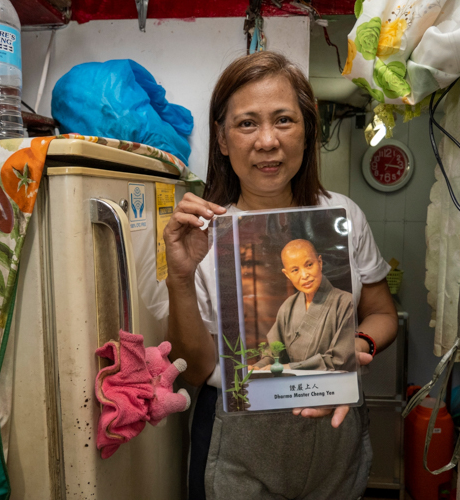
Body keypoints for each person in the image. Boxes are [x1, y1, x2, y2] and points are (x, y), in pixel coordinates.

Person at [163, 51, 398, 500]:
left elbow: (382, 313)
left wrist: (359, 345)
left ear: (307, 131)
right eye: (247, 123)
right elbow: (197, 369)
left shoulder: (343, 214)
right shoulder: (203, 235)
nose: (267, 141)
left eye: (284, 120)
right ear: (223, 139)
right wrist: (179, 277)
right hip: (238, 433)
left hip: (333, 421)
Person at [253, 239, 356, 372]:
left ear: (320, 262)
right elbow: (274, 354)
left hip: (331, 388)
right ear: (287, 274)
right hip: (293, 389)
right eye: (295, 270)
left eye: (309, 265)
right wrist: (257, 367)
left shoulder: (345, 302)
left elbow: (340, 359)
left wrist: (290, 368)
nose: (304, 275)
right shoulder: (288, 306)